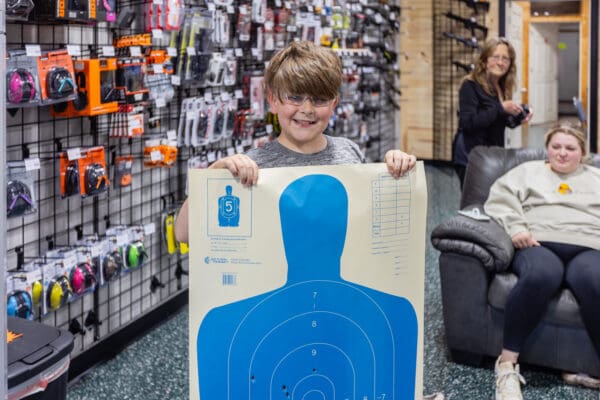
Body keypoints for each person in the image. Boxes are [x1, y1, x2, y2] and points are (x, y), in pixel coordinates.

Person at [175, 40, 444, 400]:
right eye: (294, 98)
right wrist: (215, 175)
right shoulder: (253, 165)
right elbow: (184, 233)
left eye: (319, 99)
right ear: (271, 100)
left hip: (341, 316)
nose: (306, 110)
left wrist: (396, 167)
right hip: (284, 319)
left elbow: (371, 225)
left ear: (334, 102)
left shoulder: (349, 152)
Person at [483, 125, 600, 400]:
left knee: (595, 282)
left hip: (589, 246)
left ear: (582, 153)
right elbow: (500, 200)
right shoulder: (527, 172)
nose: (562, 153)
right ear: (547, 148)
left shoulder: (596, 177)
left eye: (570, 148)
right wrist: (516, 228)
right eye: (556, 146)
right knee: (541, 276)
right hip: (538, 242)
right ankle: (507, 365)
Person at [453, 37, 533, 186]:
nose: (500, 62)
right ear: (484, 60)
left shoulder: (501, 86)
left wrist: (518, 118)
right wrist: (501, 108)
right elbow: (469, 123)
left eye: (505, 59)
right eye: (495, 57)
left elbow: (501, 121)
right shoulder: (470, 85)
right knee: (473, 205)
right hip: (470, 156)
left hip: (492, 154)